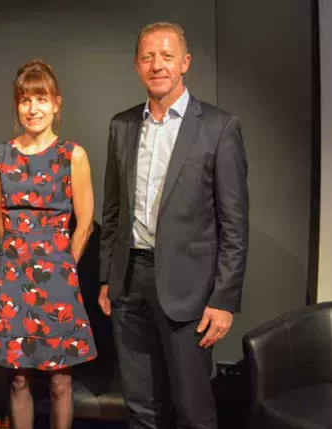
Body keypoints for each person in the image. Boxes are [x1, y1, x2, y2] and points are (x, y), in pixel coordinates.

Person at [99, 22, 249, 429]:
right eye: (148, 57)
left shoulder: (219, 127)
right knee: (141, 406)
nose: (157, 65)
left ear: (185, 62)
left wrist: (224, 299)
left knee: (193, 408)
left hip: (191, 290)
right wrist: (106, 279)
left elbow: (234, 223)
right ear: (136, 65)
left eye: (166, 56)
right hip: (129, 285)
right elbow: (112, 210)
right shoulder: (122, 126)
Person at [0, 59, 98, 429]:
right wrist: (19, 257)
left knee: (61, 380)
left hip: (58, 281)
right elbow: (0, 222)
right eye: (25, 99)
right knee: (17, 379)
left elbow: (85, 224)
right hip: (13, 278)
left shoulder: (72, 155)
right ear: (16, 105)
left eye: (41, 98)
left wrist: (64, 263)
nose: (33, 108)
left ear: (57, 103)